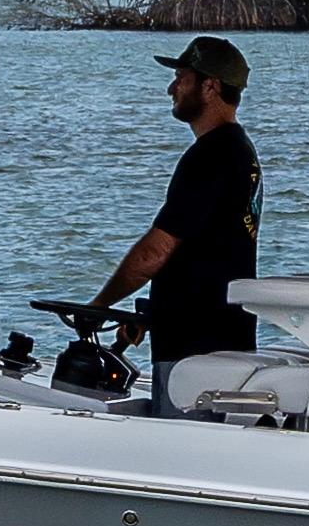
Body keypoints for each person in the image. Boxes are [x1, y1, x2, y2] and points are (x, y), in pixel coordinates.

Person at [88, 36, 258, 384]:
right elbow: (212, 250)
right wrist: (151, 313)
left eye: (181, 78)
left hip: (197, 347)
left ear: (209, 86)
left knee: (188, 435)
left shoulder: (211, 156)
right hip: (223, 332)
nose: (171, 88)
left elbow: (156, 251)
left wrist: (97, 308)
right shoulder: (239, 150)